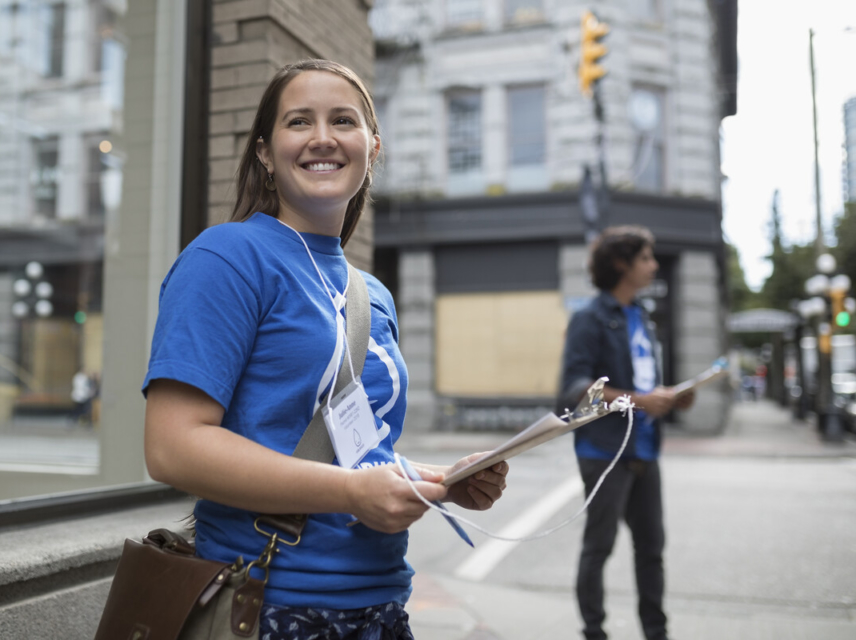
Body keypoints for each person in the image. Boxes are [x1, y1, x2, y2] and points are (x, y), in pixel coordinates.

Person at [142, 59, 509, 639]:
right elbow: (172, 449)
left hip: (383, 606)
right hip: (268, 608)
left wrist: (435, 480)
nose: (322, 138)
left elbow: (357, 451)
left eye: (343, 120)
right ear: (265, 151)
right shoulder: (226, 259)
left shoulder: (373, 294)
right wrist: (352, 493)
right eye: (298, 122)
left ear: (372, 146)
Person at [558, 226, 694, 640]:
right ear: (622, 264)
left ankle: (657, 632)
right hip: (605, 452)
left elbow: (648, 386)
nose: (654, 265)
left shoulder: (642, 318)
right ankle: (594, 632)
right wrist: (639, 400)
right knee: (598, 548)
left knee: (652, 551)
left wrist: (671, 399)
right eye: (647, 258)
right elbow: (574, 392)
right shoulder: (589, 319)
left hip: (647, 449)